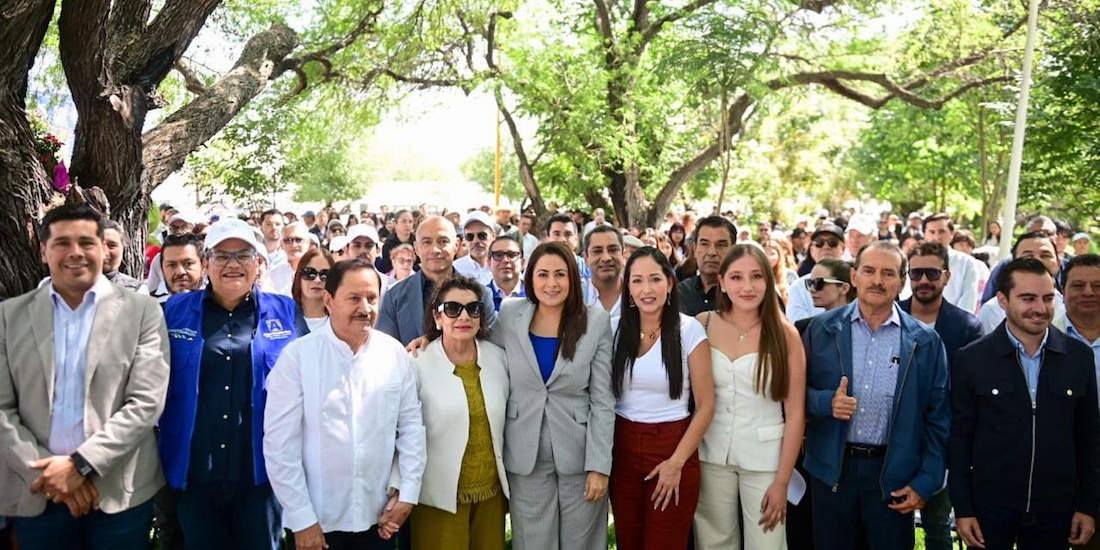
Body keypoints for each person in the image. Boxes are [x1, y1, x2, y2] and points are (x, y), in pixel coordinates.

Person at [0, 203, 170, 550]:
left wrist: (81, 466)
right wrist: (48, 476)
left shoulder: (142, 311)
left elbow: (146, 402)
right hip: (38, 493)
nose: (75, 252)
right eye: (63, 243)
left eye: (87, 242)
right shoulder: (9, 316)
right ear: (43, 250)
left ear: (102, 248)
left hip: (118, 493)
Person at [264, 259, 425, 550]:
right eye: (353, 298)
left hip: (380, 518)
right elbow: (279, 446)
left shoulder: (393, 354)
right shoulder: (298, 358)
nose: (365, 308)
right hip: (317, 524)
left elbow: (411, 428)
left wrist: (408, 495)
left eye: (372, 298)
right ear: (328, 300)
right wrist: (302, 520)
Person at [160, 218, 298, 550]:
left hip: (260, 474)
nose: (232, 264)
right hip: (196, 473)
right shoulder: (172, 312)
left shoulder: (287, 311)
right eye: (222, 255)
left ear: (258, 263)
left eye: (243, 255)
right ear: (206, 263)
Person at [802, 241, 950, 550]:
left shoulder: (925, 341)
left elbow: (939, 418)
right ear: (854, 276)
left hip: (892, 475)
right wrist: (825, 402)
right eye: (869, 271)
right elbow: (793, 398)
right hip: (832, 471)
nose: (877, 281)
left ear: (901, 282)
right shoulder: (821, 330)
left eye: (888, 273)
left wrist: (925, 481)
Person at [950, 258, 1100, 550]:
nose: (1040, 309)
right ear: (1003, 300)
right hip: (990, 508)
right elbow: (959, 439)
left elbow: (1090, 437)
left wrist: (1088, 506)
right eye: (1028, 298)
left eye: (1047, 298)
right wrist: (963, 508)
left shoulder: (1078, 357)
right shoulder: (972, 359)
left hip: (1056, 509)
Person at [489, 241, 615, 550]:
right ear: (530, 278)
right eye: (543, 274)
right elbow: (475, 345)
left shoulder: (595, 320)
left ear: (573, 278)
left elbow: (603, 400)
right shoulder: (509, 314)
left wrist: (599, 466)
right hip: (525, 453)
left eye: (560, 274)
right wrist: (430, 338)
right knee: (533, 542)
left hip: (579, 453)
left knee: (580, 544)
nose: (551, 283)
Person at [693, 245, 805, 550]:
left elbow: (795, 413)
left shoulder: (785, 334)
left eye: (756, 276)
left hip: (766, 459)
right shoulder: (702, 324)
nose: (747, 286)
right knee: (713, 541)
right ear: (723, 282)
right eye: (737, 277)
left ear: (768, 281)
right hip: (710, 453)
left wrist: (782, 482)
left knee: (767, 543)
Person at [606, 247, 715, 550]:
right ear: (628, 287)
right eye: (637, 281)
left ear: (669, 283)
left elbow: (706, 405)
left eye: (655, 279)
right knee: (629, 541)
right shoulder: (613, 330)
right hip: (623, 449)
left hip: (672, 448)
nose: (646, 289)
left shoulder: (689, 330)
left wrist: (676, 463)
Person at [408, 277, 510, 550]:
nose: (463, 316)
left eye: (473, 308)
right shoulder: (416, 362)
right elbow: (404, 431)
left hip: (490, 492)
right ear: (437, 316)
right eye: (452, 308)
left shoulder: (498, 357)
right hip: (438, 496)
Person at [897, 242, 983, 550]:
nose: (923, 280)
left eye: (931, 273)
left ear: (946, 276)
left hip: (942, 441)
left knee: (936, 527)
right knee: (889, 526)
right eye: (916, 272)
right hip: (891, 442)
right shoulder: (890, 315)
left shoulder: (967, 328)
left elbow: (967, 393)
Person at [377, 216, 496, 346]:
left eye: (443, 241)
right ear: (416, 248)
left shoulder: (481, 294)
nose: (435, 250)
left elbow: (488, 346)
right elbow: (386, 350)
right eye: (427, 242)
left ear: (456, 245)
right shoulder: (394, 296)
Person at [978, 231, 1066, 334]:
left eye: (1045, 255)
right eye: (1028, 255)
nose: (1037, 260)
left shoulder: (1068, 307)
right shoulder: (993, 310)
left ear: (1058, 263)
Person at [677, 216, 736, 316]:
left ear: (734, 250)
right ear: (695, 249)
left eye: (721, 245)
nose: (712, 252)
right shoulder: (681, 292)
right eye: (704, 244)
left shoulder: (740, 295)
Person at [922, 213, 982, 312]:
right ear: (925, 234)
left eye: (942, 231)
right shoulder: (914, 261)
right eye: (932, 232)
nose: (937, 237)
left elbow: (968, 302)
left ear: (951, 234)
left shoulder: (967, 263)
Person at [788, 223, 847, 321]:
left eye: (833, 243)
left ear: (843, 249)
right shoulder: (798, 287)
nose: (826, 247)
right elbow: (799, 327)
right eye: (819, 243)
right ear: (811, 250)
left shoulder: (857, 281)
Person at [291, 248, 336, 335]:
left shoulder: (342, 323)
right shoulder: (283, 317)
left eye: (325, 275)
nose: (317, 280)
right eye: (310, 273)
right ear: (298, 277)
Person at [584, 225, 625, 316]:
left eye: (613, 250)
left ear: (623, 255)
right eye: (597, 251)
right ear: (586, 258)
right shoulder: (574, 297)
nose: (606, 258)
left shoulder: (637, 295)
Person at [267, 222, 313, 296]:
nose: (294, 245)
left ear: (308, 243)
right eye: (288, 240)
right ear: (281, 244)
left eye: (298, 240)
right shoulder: (272, 276)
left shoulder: (319, 273)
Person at [454, 211, 497, 285]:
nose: (475, 241)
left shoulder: (503, 266)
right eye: (470, 236)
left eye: (482, 235)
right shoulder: (455, 268)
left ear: (493, 236)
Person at [101, 220, 143, 290]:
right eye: (99, 245)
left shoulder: (136, 290)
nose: (104, 252)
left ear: (122, 249)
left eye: (112, 245)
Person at [486, 236, 525, 310]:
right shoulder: (480, 297)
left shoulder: (534, 295)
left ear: (522, 263)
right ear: (489, 262)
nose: (505, 260)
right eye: (498, 255)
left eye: (511, 255)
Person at [379, 209, 416, 274]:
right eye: (404, 221)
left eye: (410, 222)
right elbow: (386, 267)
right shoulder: (389, 244)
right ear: (395, 224)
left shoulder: (417, 241)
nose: (407, 225)